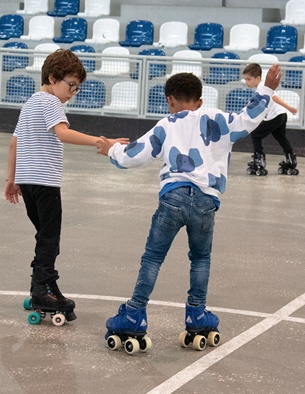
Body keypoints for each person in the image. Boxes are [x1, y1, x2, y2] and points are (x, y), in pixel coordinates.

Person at [96, 64, 283, 352]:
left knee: (153, 258)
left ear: (169, 100)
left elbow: (136, 154)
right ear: (200, 101)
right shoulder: (217, 118)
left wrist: (110, 148)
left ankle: (134, 314)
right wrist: (267, 88)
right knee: (200, 259)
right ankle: (197, 313)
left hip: (173, 197)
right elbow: (249, 118)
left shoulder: (167, 124)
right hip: (207, 201)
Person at [4, 49, 127, 323]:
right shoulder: (50, 103)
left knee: (44, 236)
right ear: (52, 78)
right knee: (50, 238)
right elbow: (62, 133)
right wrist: (101, 142)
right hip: (45, 183)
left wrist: (11, 179)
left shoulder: (29, 103)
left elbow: (14, 143)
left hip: (28, 182)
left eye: (76, 87)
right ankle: (42, 290)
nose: (72, 92)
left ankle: (42, 286)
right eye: (70, 85)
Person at [243, 63, 299, 176]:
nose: (247, 82)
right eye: (245, 79)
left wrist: (288, 107)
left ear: (258, 78)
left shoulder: (262, 88)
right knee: (281, 137)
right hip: (282, 115)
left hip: (275, 116)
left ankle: (259, 160)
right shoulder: (263, 87)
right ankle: (291, 159)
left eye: (249, 79)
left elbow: (274, 97)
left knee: (255, 134)